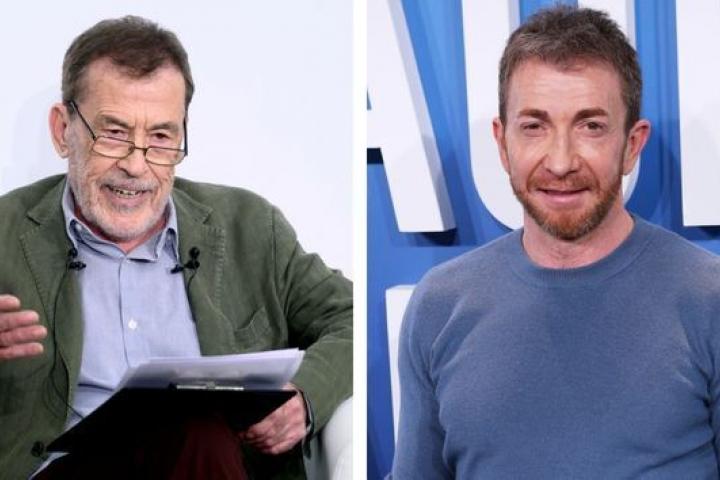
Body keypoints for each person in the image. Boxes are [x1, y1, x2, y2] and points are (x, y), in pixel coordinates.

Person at [0, 16, 352, 479]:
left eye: (161, 137)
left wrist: (306, 393)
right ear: (62, 129)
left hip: (211, 462)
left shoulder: (249, 228)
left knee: (197, 430)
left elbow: (351, 317)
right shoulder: (6, 234)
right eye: (114, 133)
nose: (136, 165)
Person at [392, 5, 720, 479]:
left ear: (632, 145)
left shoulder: (708, 299)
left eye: (591, 126)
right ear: (502, 144)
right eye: (534, 126)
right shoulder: (438, 307)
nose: (561, 161)